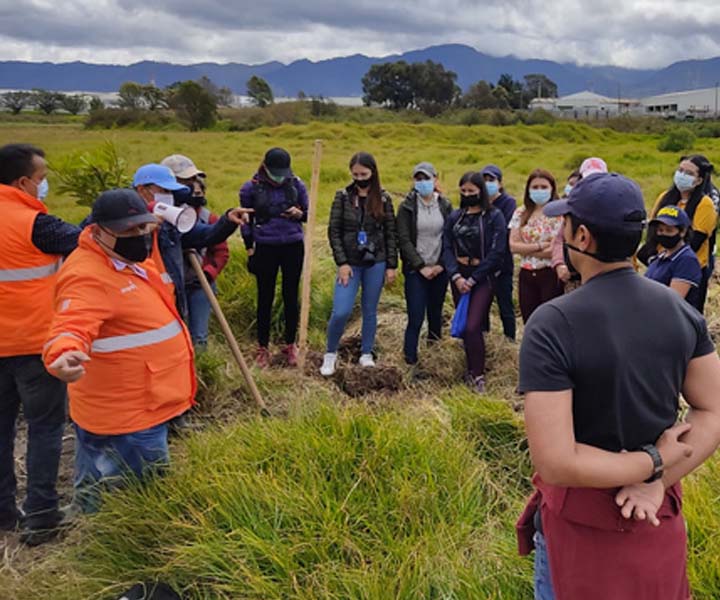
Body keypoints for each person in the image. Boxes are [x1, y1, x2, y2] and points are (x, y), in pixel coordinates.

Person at [516, 172, 720, 600]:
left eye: (566, 223)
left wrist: (650, 466)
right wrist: (657, 480)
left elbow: (555, 461)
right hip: (655, 520)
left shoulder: (551, 325)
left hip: (581, 528)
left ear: (583, 237)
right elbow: (713, 410)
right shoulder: (680, 313)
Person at [43, 189, 196, 513]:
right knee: (144, 499)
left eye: (142, 228)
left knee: (95, 476)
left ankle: (87, 515)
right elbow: (72, 321)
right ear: (97, 231)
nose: (138, 236)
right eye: (126, 231)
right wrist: (65, 350)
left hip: (126, 403)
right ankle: (132, 544)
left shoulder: (127, 262)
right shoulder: (87, 275)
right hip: (129, 413)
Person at [0, 143, 81, 546]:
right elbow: (83, 239)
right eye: (43, 177)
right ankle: (42, 516)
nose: (44, 184)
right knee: (45, 428)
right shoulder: (33, 223)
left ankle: (2, 512)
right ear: (22, 182)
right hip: (34, 345)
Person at [130, 163, 248, 319]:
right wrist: (142, 230)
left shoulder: (170, 224)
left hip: (169, 297)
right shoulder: (118, 222)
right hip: (136, 297)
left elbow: (206, 235)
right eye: (164, 190)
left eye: (171, 191)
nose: (168, 195)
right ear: (142, 190)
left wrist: (228, 220)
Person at [321, 152, 398, 376]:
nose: (359, 178)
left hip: (377, 261)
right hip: (350, 263)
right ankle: (330, 353)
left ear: (372, 173)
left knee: (370, 310)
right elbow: (334, 231)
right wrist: (342, 262)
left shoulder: (383, 199)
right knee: (341, 310)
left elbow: (390, 233)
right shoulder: (343, 197)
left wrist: (391, 265)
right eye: (355, 174)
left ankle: (366, 353)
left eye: (363, 174)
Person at [240, 148, 308, 368]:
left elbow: (309, 212)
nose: (280, 176)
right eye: (275, 172)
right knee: (265, 297)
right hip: (265, 247)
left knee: (291, 295)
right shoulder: (250, 188)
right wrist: (250, 250)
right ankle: (263, 347)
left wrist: (299, 214)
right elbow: (246, 222)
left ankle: (290, 344)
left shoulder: (297, 185)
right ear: (266, 167)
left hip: (293, 245)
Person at [442, 171, 507, 393]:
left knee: (472, 325)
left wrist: (474, 278)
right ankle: (469, 368)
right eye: (464, 191)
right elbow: (447, 247)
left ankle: (478, 374)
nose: (468, 194)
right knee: (463, 324)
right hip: (459, 276)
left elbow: (497, 251)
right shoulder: (455, 216)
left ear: (481, 191)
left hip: (483, 276)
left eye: (472, 191)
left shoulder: (493, 216)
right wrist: (456, 276)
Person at [161, 154, 229, 351]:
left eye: (195, 182)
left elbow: (221, 252)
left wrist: (208, 273)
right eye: (186, 181)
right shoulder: (161, 215)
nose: (193, 188)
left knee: (198, 337)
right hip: (170, 286)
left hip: (200, 284)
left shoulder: (208, 218)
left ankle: (199, 375)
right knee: (173, 335)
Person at [639, 155, 717, 313]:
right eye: (680, 170)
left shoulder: (704, 204)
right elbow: (653, 231)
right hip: (662, 260)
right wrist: (656, 257)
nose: (682, 175)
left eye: (689, 173)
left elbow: (696, 240)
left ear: (699, 180)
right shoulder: (665, 197)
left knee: (686, 310)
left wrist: (675, 259)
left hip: (691, 263)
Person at [396, 162, 452, 365]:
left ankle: (435, 356)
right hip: (416, 271)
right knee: (416, 316)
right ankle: (410, 361)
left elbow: (450, 237)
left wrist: (440, 265)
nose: (422, 182)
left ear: (435, 180)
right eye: (418, 179)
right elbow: (403, 239)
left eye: (426, 178)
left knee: (436, 314)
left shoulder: (445, 205)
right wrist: (421, 266)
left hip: (439, 269)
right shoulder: (407, 207)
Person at [509, 169, 564, 323]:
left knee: (550, 321)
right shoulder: (521, 212)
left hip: (550, 274)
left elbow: (555, 250)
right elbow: (513, 246)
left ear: (552, 188)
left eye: (543, 187)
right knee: (529, 320)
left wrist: (526, 249)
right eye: (535, 187)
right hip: (526, 274)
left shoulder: (558, 214)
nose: (539, 191)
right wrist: (540, 246)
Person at [482, 164, 517, 341]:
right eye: (484, 180)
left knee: (505, 305)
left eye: (491, 180)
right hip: (483, 264)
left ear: (500, 183)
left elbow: (503, 230)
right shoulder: (478, 203)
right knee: (483, 305)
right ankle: (485, 338)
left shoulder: (508, 203)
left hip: (503, 264)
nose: (488, 183)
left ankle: (510, 339)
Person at [644, 205, 702, 306]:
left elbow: (674, 301)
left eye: (669, 230)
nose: (663, 234)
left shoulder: (686, 260)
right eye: (660, 230)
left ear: (682, 232)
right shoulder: (659, 257)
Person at [552, 170, 581, 286]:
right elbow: (558, 240)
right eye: (570, 184)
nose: (571, 187)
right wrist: (559, 263)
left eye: (576, 184)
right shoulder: (566, 213)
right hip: (570, 278)